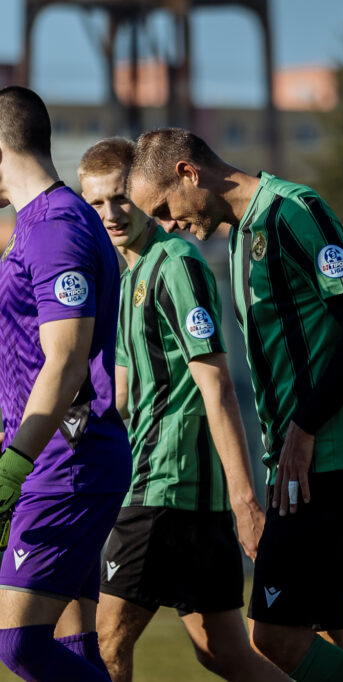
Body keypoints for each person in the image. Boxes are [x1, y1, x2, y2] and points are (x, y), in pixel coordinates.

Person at [127, 128, 343, 682]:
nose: (167, 226)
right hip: (298, 462)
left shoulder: (293, 211)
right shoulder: (240, 235)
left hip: (332, 455)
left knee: (271, 636)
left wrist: (303, 428)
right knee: (325, 633)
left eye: (165, 209)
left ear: (187, 173)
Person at [77, 138, 289, 681]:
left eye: (120, 198)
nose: (110, 213)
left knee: (104, 643)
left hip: (164, 487)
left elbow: (217, 386)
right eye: (96, 203)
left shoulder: (176, 263)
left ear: (143, 192)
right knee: (224, 653)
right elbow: (120, 399)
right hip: (179, 495)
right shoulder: (127, 279)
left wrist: (246, 502)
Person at [0, 86, 131, 680]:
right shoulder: (32, 225)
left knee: (18, 644)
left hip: (64, 463)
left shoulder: (56, 226)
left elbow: (66, 361)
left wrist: (13, 466)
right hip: (47, 459)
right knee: (73, 645)